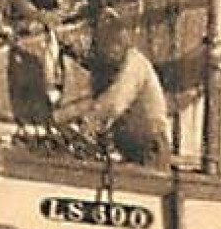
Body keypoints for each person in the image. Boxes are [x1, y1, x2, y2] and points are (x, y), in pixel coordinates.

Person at [52, 10, 171, 167]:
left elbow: (113, 103)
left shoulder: (135, 64)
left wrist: (86, 125)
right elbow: (92, 102)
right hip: (130, 151)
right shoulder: (110, 68)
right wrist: (58, 117)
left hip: (150, 151)